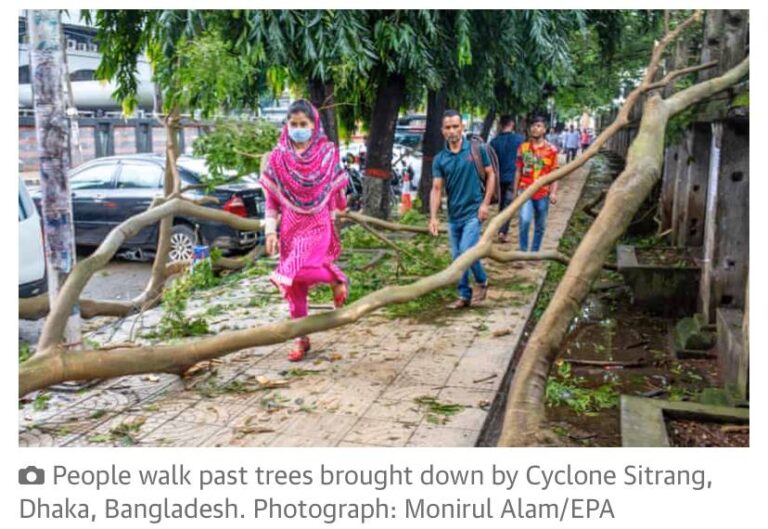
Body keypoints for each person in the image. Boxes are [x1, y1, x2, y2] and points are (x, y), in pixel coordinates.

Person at [261, 100, 349, 362]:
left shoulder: (327, 153)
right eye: (294, 124)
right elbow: (271, 201)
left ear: (314, 125)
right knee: (295, 288)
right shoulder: (277, 158)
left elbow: (337, 188)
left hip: (318, 224)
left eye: (303, 124)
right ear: (286, 126)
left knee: (294, 270)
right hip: (290, 227)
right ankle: (301, 339)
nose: (298, 129)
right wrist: (270, 231)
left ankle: (336, 278)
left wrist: (339, 205)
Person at [429, 110, 496, 309]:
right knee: (456, 256)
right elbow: (436, 188)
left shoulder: (476, 150)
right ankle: (468, 292)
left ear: (462, 127)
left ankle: (475, 286)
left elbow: (491, 175)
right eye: (448, 127)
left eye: (455, 126)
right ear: (442, 131)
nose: (452, 131)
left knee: (465, 253)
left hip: (473, 213)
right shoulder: (440, 159)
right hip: (453, 216)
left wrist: (485, 204)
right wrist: (433, 217)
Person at [514, 115, 559, 252]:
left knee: (540, 225)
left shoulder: (552, 150)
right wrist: (515, 191)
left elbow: (555, 174)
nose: (535, 128)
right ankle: (522, 251)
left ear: (544, 129)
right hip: (525, 190)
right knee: (525, 220)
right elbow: (518, 171)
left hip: (543, 193)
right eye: (533, 126)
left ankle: (534, 252)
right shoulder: (523, 148)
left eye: (538, 126)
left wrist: (553, 192)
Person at [490, 115, 524, 243]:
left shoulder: (494, 142)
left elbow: (491, 162)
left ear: (500, 125)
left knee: (502, 204)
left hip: (499, 178)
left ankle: (500, 229)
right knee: (508, 205)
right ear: (512, 124)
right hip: (513, 177)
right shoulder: (520, 140)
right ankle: (502, 232)